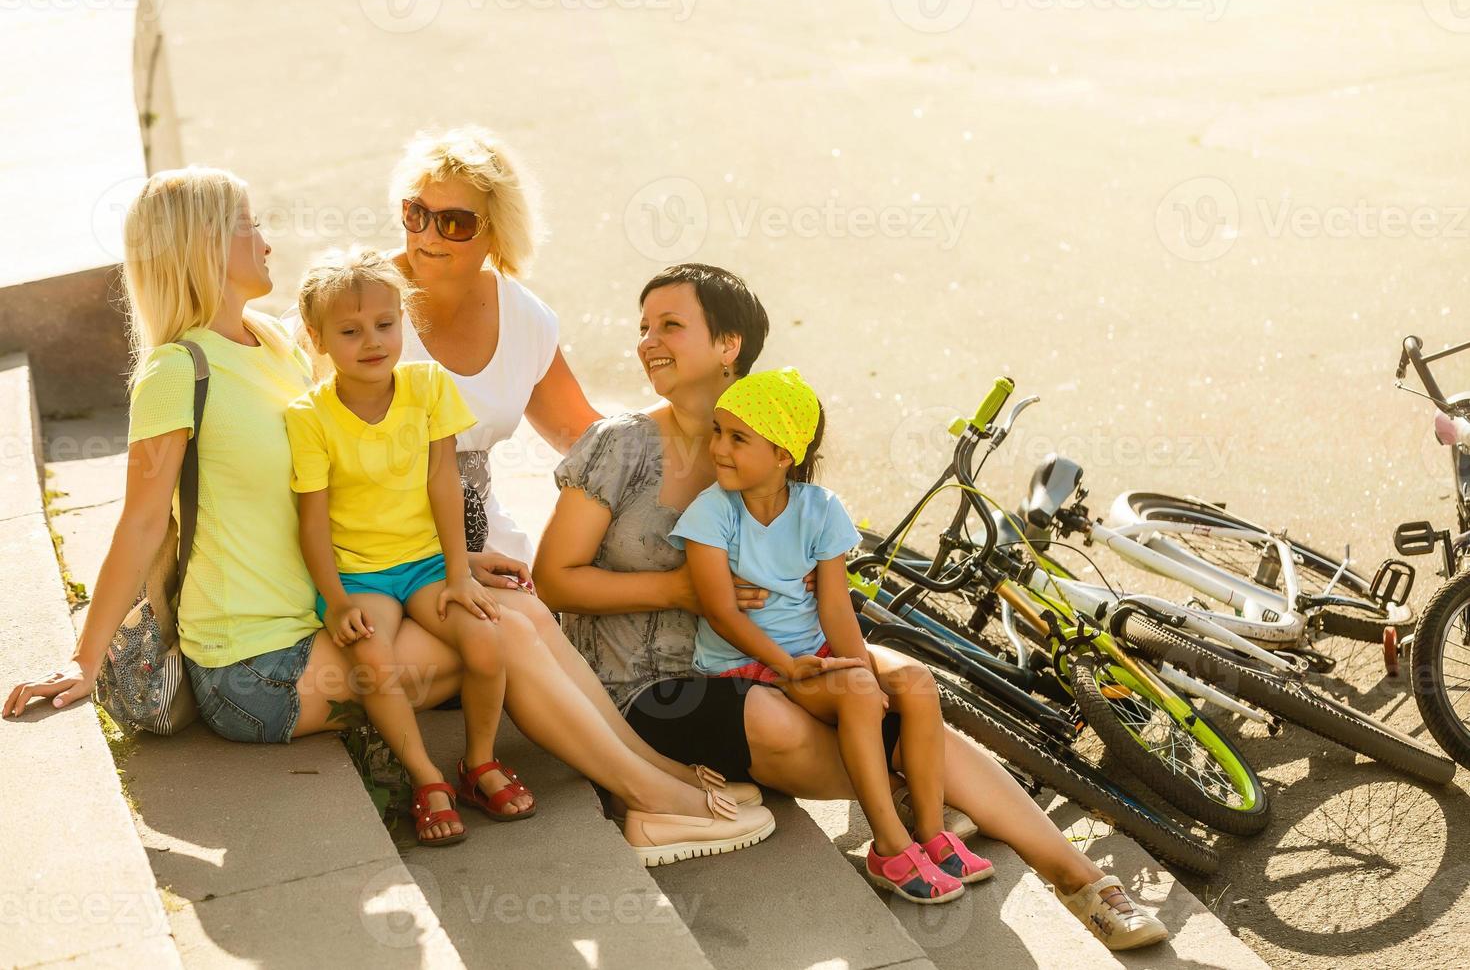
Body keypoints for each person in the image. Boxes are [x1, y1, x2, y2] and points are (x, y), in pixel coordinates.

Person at [2, 168, 775, 868]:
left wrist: (459, 562)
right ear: (204, 244)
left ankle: (656, 776)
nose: (266, 239)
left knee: (516, 608)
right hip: (259, 667)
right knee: (503, 629)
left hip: (319, 618)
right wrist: (83, 658)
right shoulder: (177, 372)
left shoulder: (272, 341)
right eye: (246, 225)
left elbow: (357, 480)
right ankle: (655, 800)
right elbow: (139, 522)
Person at [534, 263, 1170, 947]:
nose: (648, 343)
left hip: (774, 651)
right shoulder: (620, 445)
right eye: (644, 328)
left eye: (670, 326)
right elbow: (555, 579)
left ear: (729, 346)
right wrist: (678, 590)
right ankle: (911, 811)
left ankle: (1082, 882)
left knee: (900, 681)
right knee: (786, 718)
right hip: (652, 687)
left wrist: (832, 635)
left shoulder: (764, 439)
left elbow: (808, 560)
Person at [670, 366, 992, 904]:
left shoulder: (821, 509)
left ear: (783, 456)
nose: (718, 447)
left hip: (811, 656)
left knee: (914, 682)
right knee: (861, 694)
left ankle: (932, 834)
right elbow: (722, 613)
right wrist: (794, 666)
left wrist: (858, 664)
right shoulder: (711, 512)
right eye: (717, 432)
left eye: (738, 437)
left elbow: (836, 607)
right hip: (747, 666)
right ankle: (889, 849)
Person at [288, 245, 533, 845]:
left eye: (385, 324)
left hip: (427, 565)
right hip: (360, 579)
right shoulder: (311, 416)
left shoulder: (426, 386)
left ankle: (477, 763)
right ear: (318, 340)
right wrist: (336, 601)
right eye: (349, 331)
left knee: (484, 640)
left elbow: (442, 484)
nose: (372, 341)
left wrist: (458, 574)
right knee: (375, 662)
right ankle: (426, 778)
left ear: (404, 322)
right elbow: (313, 523)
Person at [284, 126, 600, 563]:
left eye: (455, 223)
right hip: (372, 557)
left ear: (496, 232)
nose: (428, 236)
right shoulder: (353, 302)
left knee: (538, 627)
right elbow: (281, 423)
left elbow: (585, 437)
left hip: (481, 545)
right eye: (417, 214)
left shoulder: (524, 318)